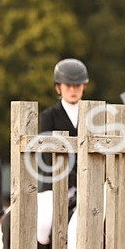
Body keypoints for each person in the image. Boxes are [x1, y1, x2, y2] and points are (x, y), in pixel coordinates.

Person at [38, 58, 89, 192]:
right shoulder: (48, 116)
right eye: (68, 85)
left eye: (77, 85)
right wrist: (76, 179)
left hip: (89, 183)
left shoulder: (94, 115)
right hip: (55, 185)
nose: (73, 90)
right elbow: (47, 157)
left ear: (84, 86)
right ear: (58, 87)